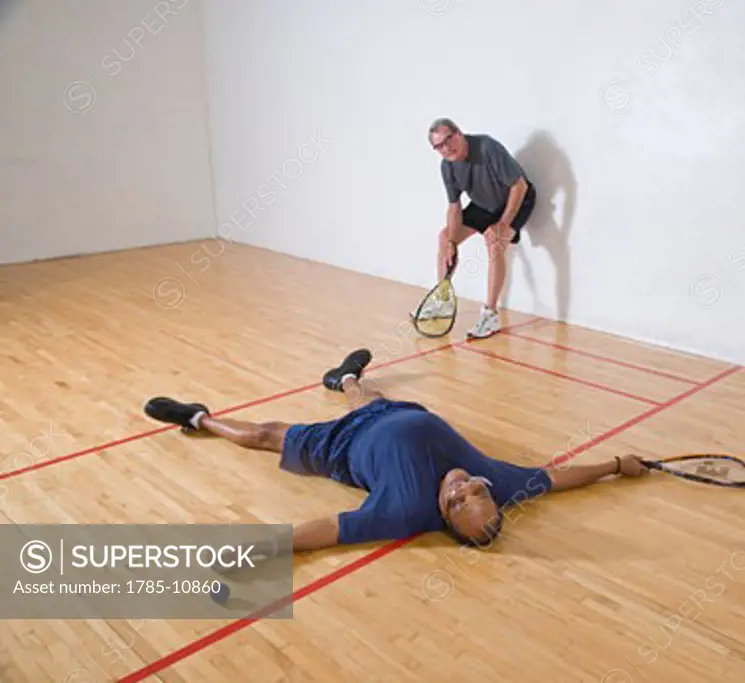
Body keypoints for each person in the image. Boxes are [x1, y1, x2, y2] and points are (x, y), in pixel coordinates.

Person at [142, 348, 649, 558]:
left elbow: (330, 530)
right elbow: (557, 478)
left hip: (342, 447)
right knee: (367, 395)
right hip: (394, 412)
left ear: (443, 518)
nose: (462, 485)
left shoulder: (404, 511)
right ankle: (343, 376)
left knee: (265, 434)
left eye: (455, 500)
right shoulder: (502, 484)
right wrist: (613, 466)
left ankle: (197, 417)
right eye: (474, 489)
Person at [424, 118, 537, 339]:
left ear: (459, 134)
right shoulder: (447, 166)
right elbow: (454, 207)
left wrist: (503, 224)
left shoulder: (487, 147)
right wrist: (450, 243)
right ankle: (442, 300)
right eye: (439, 146)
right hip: (485, 204)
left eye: (448, 140)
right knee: (445, 235)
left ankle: (490, 315)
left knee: (494, 242)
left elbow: (519, 185)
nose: (446, 148)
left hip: (518, 199)